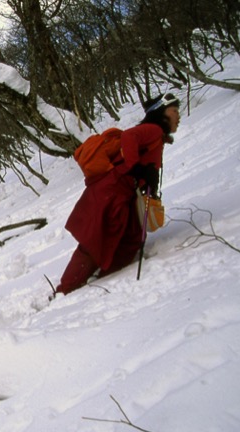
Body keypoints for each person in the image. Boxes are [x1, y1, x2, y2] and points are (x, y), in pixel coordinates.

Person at [55, 93, 181, 295]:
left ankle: (108, 276)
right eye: (174, 111)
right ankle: (65, 291)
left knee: (129, 238)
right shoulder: (154, 129)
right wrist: (136, 169)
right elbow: (129, 136)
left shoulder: (158, 136)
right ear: (161, 113)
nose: (178, 115)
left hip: (123, 192)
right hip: (113, 189)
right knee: (96, 240)